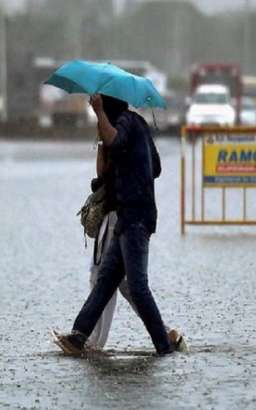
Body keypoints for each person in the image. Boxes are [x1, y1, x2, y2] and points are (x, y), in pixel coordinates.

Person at [53, 94, 177, 356]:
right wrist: (131, 162)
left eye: (102, 107)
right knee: (106, 281)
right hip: (128, 217)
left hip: (135, 217)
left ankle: (164, 345)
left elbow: (115, 141)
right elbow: (155, 167)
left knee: (137, 287)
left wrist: (99, 113)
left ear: (108, 107)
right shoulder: (138, 124)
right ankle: (78, 337)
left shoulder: (125, 125)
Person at [85, 141, 187, 352]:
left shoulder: (118, 136)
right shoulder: (133, 138)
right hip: (126, 217)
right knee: (125, 284)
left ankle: (93, 342)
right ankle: (166, 333)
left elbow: (104, 174)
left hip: (117, 217)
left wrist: (102, 145)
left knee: (102, 278)